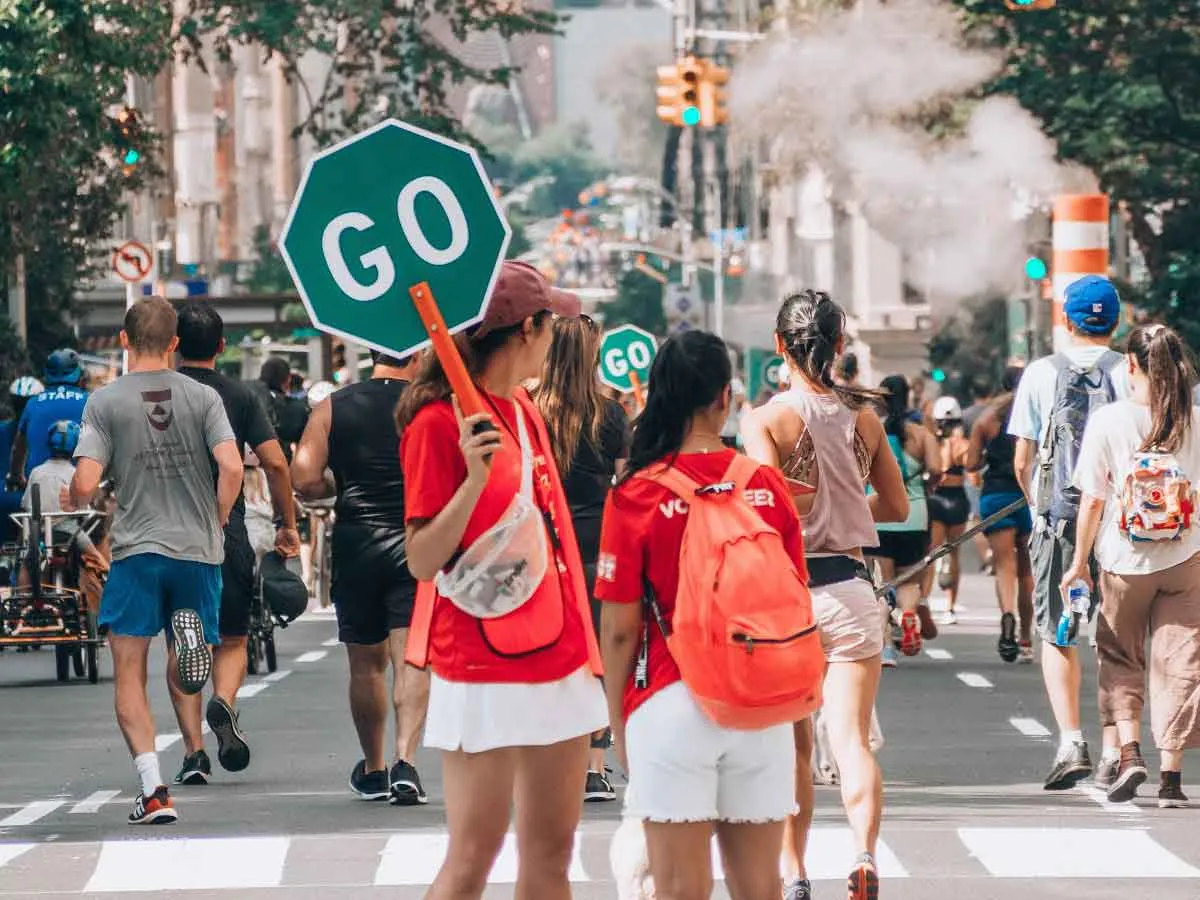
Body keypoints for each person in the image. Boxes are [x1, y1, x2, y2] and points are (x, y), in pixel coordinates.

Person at [397, 261, 605, 900]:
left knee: (551, 857)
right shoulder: (438, 423)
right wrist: (473, 478)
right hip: (481, 664)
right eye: (551, 323)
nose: (556, 336)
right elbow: (422, 559)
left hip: (559, 655)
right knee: (472, 860)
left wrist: (592, 658)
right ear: (529, 328)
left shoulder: (523, 411)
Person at [597, 330, 806, 900]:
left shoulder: (636, 493)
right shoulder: (764, 486)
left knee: (679, 890)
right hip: (761, 706)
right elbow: (793, 607)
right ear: (725, 397)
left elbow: (618, 630)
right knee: (760, 888)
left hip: (670, 703)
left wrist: (617, 723)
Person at [740, 291, 908, 900]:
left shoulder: (763, 421)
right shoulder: (866, 419)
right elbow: (896, 506)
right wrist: (846, 506)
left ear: (779, 345)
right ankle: (863, 853)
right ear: (840, 346)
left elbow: (768, 503)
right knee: (852, 741)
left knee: (792, 743)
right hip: (853, 590)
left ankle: (795, 873)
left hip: (788, 595)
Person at [64, 296, 243, 824]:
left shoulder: (105, 402)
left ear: (123, 340)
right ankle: (187, 653)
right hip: (198, 548)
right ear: (174, 344)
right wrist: (218, 515)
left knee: (127, 674)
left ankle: (154, 788)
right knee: (186, 654)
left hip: (138, 550)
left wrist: (80, 498)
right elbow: (230, 467)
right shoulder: (203, 397)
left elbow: (86, 481)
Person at [1062, 324, 1200, 808]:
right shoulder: (1195, 419)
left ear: (1133, 365)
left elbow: (1092, 501)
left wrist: (1078, 563)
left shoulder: (1109, 420)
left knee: (1121, 656)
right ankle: (1171, 779)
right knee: (1180, 665)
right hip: (1185, 558)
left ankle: (1129, 752)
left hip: (1124, 560)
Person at [292, 348, 432, 806]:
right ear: (416, 356)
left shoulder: (332, 406)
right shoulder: (430, 403)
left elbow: (304, 477)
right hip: (416, 540)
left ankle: (373, 768)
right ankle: (405, 761)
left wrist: (339, 484)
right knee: (411, 657)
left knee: (366, 665)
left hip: (357, 543)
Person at [170, 302, 300, 787]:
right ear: (222, 348)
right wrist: (289, 524)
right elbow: (277, 464)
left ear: (175, 344)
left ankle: (194, 754)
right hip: (228, 532)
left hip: (169, 534)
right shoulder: (241, 396)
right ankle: (223, 702)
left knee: (182, 640)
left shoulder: (160, 393)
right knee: (233, 638)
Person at [1009, 274, 1125, 790]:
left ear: (1066, 320)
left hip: (1057, 521)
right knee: (1117, 637)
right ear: (1116, 322)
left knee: (1058, 630)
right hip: (1121, 523)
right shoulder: (1130, 371)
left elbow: (1021, 460)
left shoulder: (1039, 373)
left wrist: (1039, 508)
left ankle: (1070, 740)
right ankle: (1117, 748)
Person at [531, 314, 630, 804]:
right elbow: (627, 486)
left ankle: (552, 764)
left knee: (549, 657)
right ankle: (594, 766)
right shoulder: (610, 414)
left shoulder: (529, 409)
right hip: (597, 544)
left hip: (541, 542)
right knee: (600, 661)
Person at [868, 374, 942, 663]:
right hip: (914, 514)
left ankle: (886, 647)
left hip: (877, 514)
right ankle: (909, 614)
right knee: (909, 579)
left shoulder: (870, 432)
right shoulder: (920, 433)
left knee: (880, 583)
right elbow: (937, 468)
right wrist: (928, 482)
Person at [968, 366, 1035, 661]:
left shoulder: (987, 420)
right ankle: (1025, 638)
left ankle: (1007, 615)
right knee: (1027, 571)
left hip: (996, 496)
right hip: (1028, 498)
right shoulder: (1035, 417)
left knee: (1004, 566)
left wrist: (984, 457)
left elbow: (970, 463)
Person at [10, 349, 88, 484]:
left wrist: (16, 476)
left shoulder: (33, 403)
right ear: (78, 376)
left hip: (38, 486)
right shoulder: (90, 401)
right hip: (79, 487)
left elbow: (19, 447)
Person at [927, 396, 971, 624]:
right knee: (954, 554)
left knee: (932, 554)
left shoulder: (933, 442)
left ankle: (923, 602)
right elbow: (973, 473)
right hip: (958, 499)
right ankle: (950, 607)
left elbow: (933, 469)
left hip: (937, 498)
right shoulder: (963, 444)